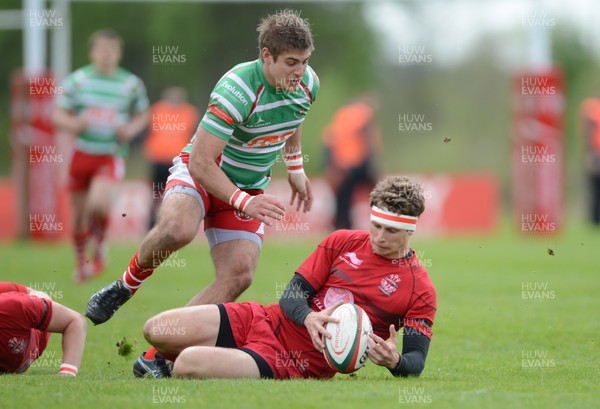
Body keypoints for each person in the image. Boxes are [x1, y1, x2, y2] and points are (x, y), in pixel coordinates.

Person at [85, 10, 320, 374]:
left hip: (248, 188)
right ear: (266, 56)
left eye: (304, 62)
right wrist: (246, 202)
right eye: (291, 63)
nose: (299, 71)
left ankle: (157, 358)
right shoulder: (238, 88)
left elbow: (294, 118)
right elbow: (200, 163)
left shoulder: (307, 84)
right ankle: (123, 287)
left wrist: (295, 168)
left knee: (239, 275)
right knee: (178, 229)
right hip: (203, 174)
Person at [137, 176, 436, 380]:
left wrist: (394, 361)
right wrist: (308, 317)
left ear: (410, 230)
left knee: (188, 362)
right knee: (157, 328)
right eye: (376, 226)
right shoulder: (342, 241)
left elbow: (416, 361)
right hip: (264, 318)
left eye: (392, 231)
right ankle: (183, 358)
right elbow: (292, 293)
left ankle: (185, 362)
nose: (379, 238)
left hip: (294, 361)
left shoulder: (419, 289)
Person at [53, 29, 150, 283]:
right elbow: (57, 115)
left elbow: (143, 115)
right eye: (101, 49)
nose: (106, 55)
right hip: (82, 152)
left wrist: (130, 128)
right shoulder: (78, 81)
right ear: (92, 52)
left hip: (111, 153)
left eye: (111, 49)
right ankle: (81, 263)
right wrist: (74, 124)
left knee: (98, 203)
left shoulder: (130, 84)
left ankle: (100, 248)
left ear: (119, 53)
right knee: (78, 215)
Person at [322, 92, 382, 230]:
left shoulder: (342, 114)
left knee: (343, 198)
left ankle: (341, 228)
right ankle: (390, 219)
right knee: (382, 192)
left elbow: (329, 139)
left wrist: (330, 163)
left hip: (342, 164)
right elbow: (366, 135)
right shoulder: (363, 113)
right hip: (360, 162)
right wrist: (372, 161)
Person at [0, 282, 87, 376]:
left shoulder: (14, 308)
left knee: (40, 297)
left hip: (29, 311)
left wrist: (67, 371)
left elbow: (75, 321)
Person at [144, 86, 200, 228]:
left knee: (176, 192)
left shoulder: (189, 112)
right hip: (158, 158)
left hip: (178, 160)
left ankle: (171, 220)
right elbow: (148, 131)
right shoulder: (157, 110)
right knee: (156, 193)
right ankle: (151, 223)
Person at [580, 97, 600, 225]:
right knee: (595, 186)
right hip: (596, 152)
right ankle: (594, 219)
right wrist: (589, 153)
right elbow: (587, 131)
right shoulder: (591, 107)